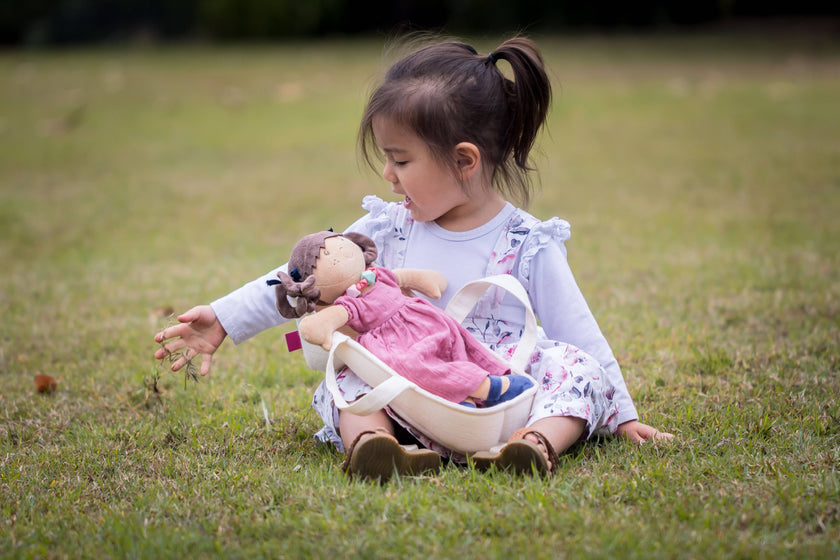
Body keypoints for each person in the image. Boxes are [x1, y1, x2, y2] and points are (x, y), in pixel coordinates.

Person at [154, 36, 673, 480]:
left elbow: (578, 331)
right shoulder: (384, 229)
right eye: (386, 157)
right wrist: (225, 317)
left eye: (400, 159)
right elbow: (306, 277)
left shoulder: (527, 242)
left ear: (464, 160)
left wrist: (621, 415)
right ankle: (377, 447)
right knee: (347, 376)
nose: (388, 174)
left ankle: (532, 446)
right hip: (403, 387)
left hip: (497, 396)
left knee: (574, 367)